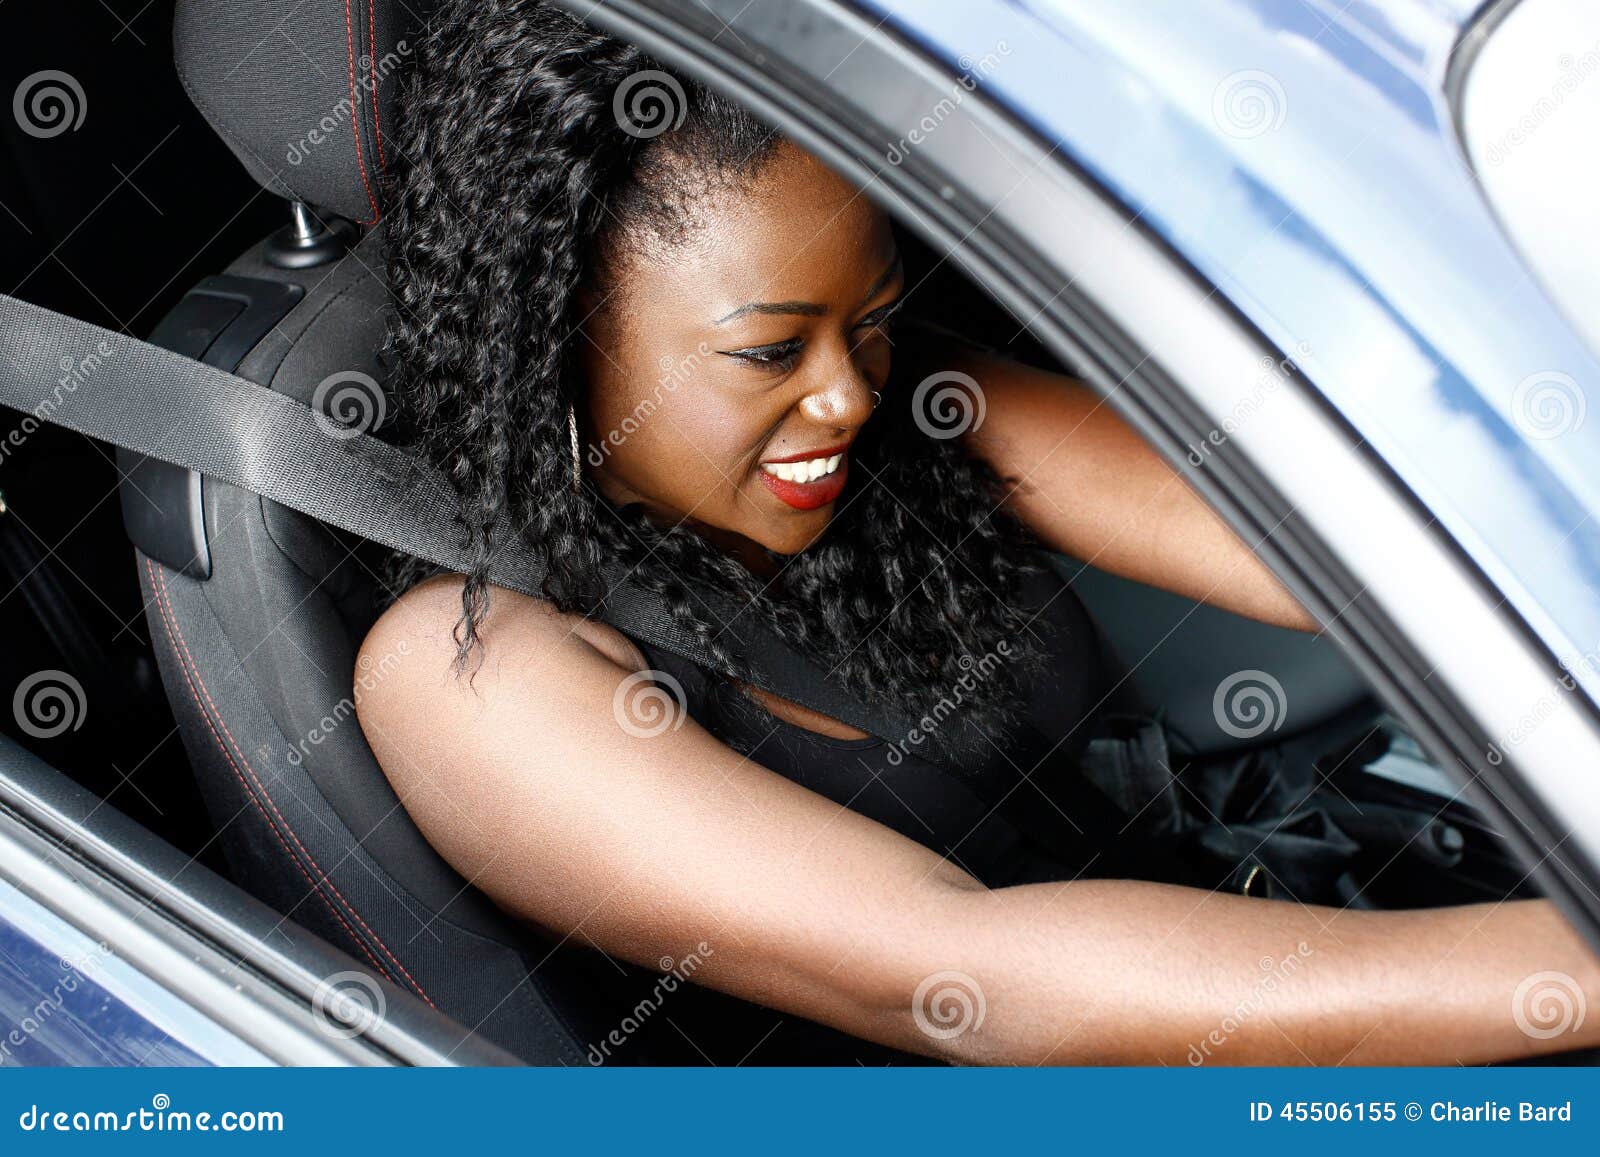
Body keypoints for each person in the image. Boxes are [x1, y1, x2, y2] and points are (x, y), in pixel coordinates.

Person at [354, 0, 1600, 1065]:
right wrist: (1569, 968)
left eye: (871, 318)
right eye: (768, 350)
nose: (848, 391)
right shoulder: (469, 673)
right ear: (558, 329)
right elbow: (970, 972)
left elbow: (1325, 546)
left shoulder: (898, 406)